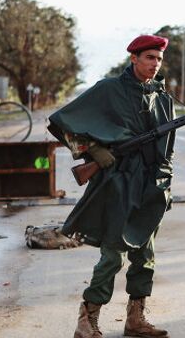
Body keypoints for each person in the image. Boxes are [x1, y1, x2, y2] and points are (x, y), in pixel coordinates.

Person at [48, 35, 174, 338]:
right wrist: (93, 151)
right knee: (113, 254)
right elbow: (62, 122)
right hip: (119, 183)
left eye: (158, 59)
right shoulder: (109, 90)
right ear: (133, 58)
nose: (154, 64)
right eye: (149, 58)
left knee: (145, 256)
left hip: (151, 186)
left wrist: (165, 185)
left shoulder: (163, 98)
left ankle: (135, 319)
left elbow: (168, 149)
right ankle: (87, 319)